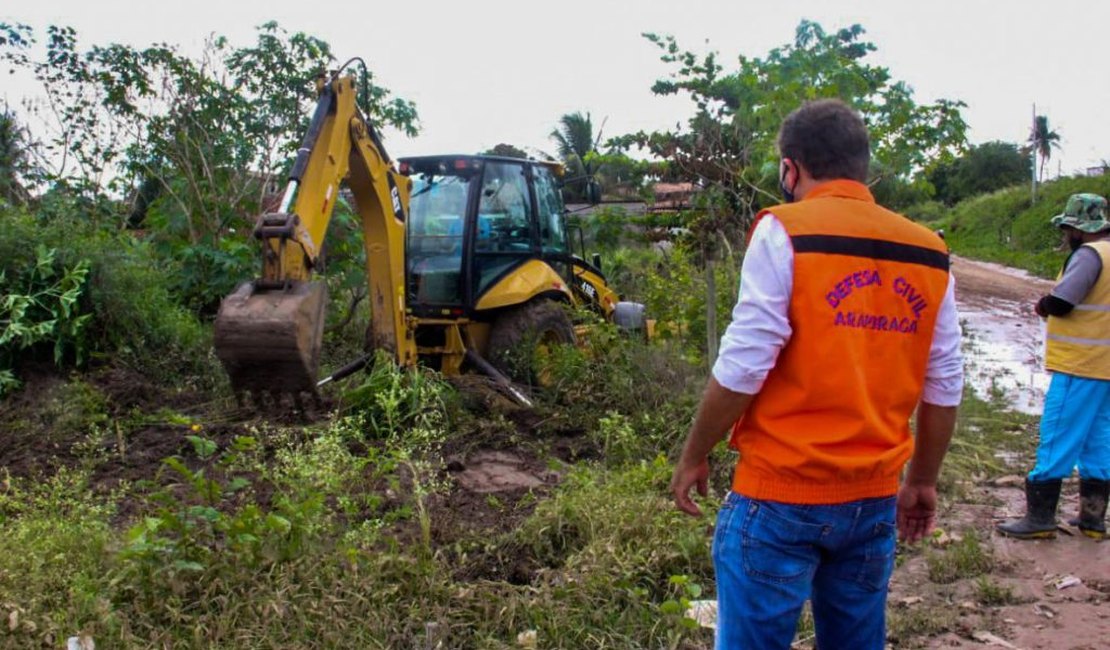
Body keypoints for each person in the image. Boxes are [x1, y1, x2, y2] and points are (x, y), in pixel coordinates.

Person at [670, 98, 963, 650]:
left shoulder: (786, 230)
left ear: (791, 168)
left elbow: (745, 362)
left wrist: (694, 453)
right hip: (873, 500)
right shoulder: (929, 251)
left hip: (778, 495)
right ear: (864, 167)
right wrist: (921, 480)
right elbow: (944, 378)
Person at [997, 193, 1110, 540]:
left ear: (1077, 228)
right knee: (1098, 440)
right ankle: (1093, 521)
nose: (1065, 235)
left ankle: (1040, 518)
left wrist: (1043, 304)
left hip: (1081, 365)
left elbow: (1062, 302)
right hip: (1105, 367)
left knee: (1057, 435)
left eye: (1067, 228)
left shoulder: (1089, 256)